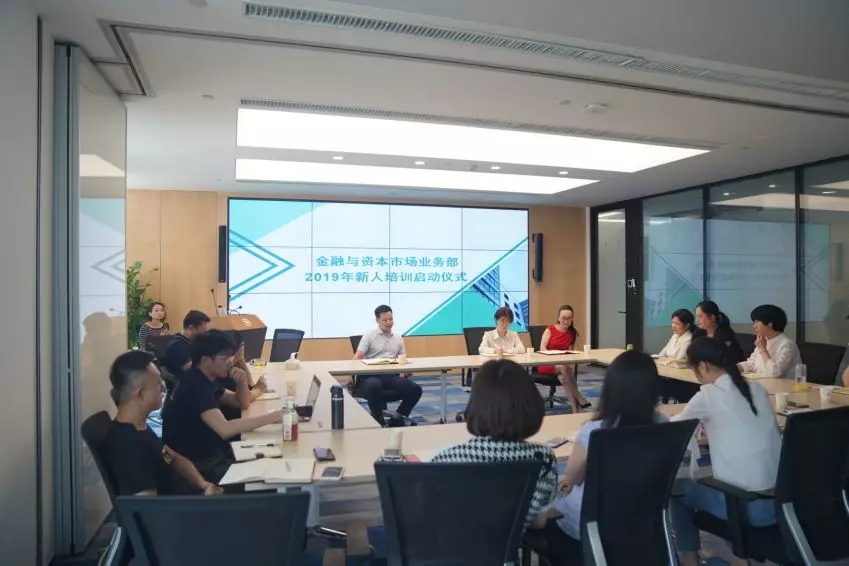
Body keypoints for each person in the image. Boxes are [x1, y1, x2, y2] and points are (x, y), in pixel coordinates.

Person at [545, 350, 666, 563]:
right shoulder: (663, 424)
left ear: (611, 388)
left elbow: (572, 478)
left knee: (545, 505)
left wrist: (564, 485)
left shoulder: (595, 431)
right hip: (642, 519)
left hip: (591, 524)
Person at [670, 338, 781, 566]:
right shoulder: (758, 389)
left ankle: (690, 561)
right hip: (782, 503)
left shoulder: (708, 395)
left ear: (702, 366)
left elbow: (674, 430)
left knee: (678, 491)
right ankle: (740, 556)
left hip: (748, 507)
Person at [431, 358, 557, 529]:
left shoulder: (445, 458)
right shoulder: (544, 458)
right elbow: (538, 522)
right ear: (532, 405)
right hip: (508, 545)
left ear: (476, 405)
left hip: (451, 543)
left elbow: (430, 515)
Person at [162, 330, 282, 482]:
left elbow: (241, 402)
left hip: (210, 456)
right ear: (206, 360)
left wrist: (241, 381)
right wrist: (273, 417)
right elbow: (225, 429)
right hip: (199, 468)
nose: (231, 362)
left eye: (231, 357)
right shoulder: (195, 386)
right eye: (225, 358)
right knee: (271, 474)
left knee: (272, 460)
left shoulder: (204, 379)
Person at [103, 350, 222, 496]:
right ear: (141, 393)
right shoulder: (128, 445)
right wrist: (205, 502)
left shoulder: (140, 428)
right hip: (183, 507)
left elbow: (173, 459)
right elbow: (148, 507)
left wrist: (203, 484)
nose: (163, 388)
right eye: (158, 383)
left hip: (192, 494)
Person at [354, 305, 423, 426]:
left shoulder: (398, 338)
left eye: (390, 319)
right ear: (377, 320)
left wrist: (406, 370)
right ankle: (378, 418)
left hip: (390, 376)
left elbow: (402, 359)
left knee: (416, 389)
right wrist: (351, 377)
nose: (388, 322)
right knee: (374, 386)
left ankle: (398, 417)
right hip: (371, 374)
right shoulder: (369, 335)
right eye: (385, 320)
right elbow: (357, 357)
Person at [536, 304, 590, 411]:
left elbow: (572, 351)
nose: (566, 321)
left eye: (569, 318)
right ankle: (579, 397)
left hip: (563, 366)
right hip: (547, 363)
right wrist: (554, 358)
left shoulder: (571, 333)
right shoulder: (550, 329)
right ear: (558, 318)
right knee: (565, 370)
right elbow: (542, 348)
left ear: (572, 319)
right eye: (563, 318)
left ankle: (575, 410)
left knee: (563, 377)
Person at [738, 304, 801, 378]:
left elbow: (774, 373)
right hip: (763, 382)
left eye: (757, 322)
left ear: (770, 324)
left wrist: (763, 349)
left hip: (783, 384)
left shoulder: (788, 344)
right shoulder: (763, 340)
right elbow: (751, 364)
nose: (754, 326)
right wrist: (734, 368)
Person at [162, 310, 210, 377]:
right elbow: (193, 371)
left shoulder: (192, 342)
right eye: (203, 331)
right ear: (191, 328)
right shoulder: (176, 346)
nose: (205, 335)